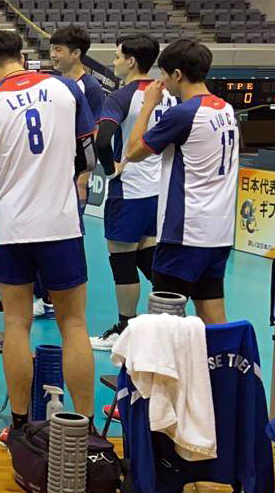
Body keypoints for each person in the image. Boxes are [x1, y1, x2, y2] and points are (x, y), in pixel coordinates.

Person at [0, 30, 97, 442]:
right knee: (74, 324)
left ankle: (19, 426)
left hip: (13, 227)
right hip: (61, 224)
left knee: (17, 325)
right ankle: (85, 428)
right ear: (20, 56)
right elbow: (88, 156)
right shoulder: (66, 89)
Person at [125, 38, 238, 325]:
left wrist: (148, 106)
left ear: (177, 74)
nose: (162, 82)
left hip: (184, 234)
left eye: (164, 75)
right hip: (218, 233)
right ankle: (220, 356)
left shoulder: (184, 114)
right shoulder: (225, 110)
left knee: (164, 323)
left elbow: (133, 151)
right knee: (212, 313)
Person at [89, 34, 177, 352]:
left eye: (117, 56)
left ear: (131, 61)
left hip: (130, 188)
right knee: (146, 253)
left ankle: (126, 329)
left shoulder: (122, 97)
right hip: (159, 189)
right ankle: (171, 314)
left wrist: (110, 169)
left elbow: (102, 140)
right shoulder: (168, 95)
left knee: (122, 259)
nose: (113, 62)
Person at [30, 26, 106, 318]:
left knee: (68, 237)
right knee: (41, 232)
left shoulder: (91, 88)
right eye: (52, 48)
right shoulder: (53, 84)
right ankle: (44, 294)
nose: (53, 55)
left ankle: (58, 298)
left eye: (59, 50)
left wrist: (83, 177)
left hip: (73, 177)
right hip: (49, 174)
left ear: (76, 53)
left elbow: (93, 134)